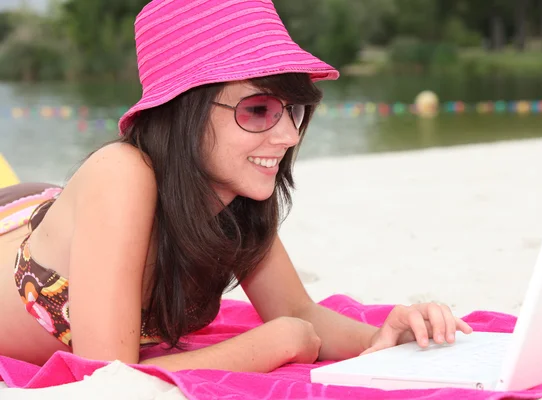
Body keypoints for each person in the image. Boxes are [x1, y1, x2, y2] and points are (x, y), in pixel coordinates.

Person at [0, 0, 472, 372]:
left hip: (60, 213)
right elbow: (106, 373)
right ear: (185, 111)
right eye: (259, 109)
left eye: (293, 111)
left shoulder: (236, 200)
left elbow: (298, 313)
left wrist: (382, 338)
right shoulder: (122, 172)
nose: (288, 136)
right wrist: (271, 344)